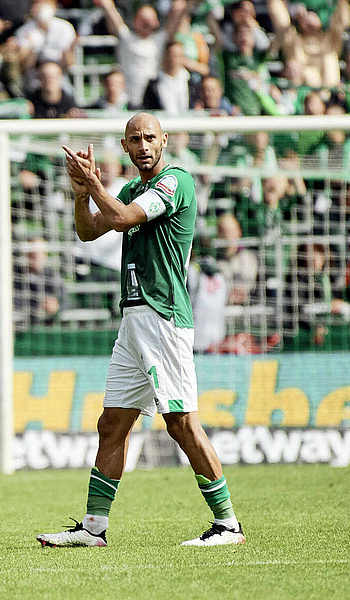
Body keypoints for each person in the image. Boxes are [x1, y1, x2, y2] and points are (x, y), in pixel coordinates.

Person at [37, 113, 244, 547]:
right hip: (134, 317)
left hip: (163, 316)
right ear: (125, 146)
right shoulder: (131, 188)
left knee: (182, 422)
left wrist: (94, 185)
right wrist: (80, 195)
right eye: (135, 139)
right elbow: (90, 230)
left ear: (164, 141)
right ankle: (94, 529)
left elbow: (124, 219)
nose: (144, 144)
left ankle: (228, 525)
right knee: (112, 423)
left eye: (150, 137)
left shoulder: (175, 182)